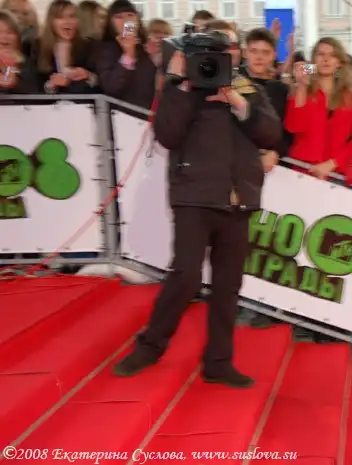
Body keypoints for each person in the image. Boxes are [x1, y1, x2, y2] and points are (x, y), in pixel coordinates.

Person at [112, 24, 283, 387]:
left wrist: (238, 103)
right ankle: (149, 347)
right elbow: (168, 135)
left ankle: (218, 362)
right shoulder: (182, 85)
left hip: (238, 199)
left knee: (228, 285)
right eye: (217, 48)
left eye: (230, 47)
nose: (225, 55)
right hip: (194, 196)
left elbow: (271, 133)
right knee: (186, 276)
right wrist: (179, 84)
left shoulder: (246, 86)